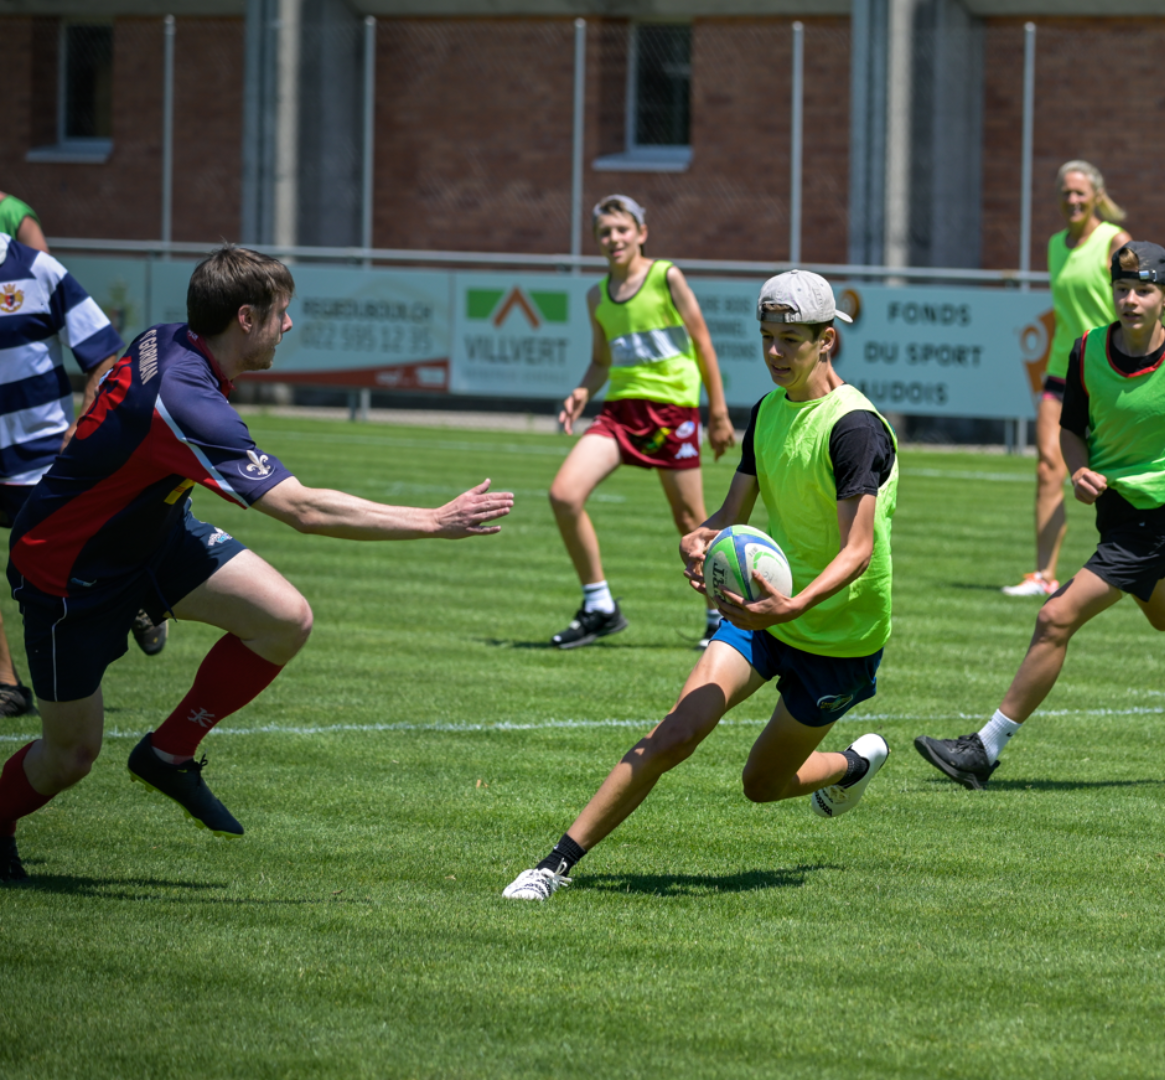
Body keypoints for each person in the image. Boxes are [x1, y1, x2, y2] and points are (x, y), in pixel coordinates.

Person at [0, 245, 515, 883]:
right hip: (68, 571)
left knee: (284, 618)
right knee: (69, 757)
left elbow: (111, 396)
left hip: (154, 536)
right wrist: (433, 521)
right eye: (281, 313)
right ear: (245, 318)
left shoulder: (166, 339)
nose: (289, 326)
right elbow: (303, 509)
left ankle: (169, 752)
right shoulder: (185, 402)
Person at [503, 270, 896, 902]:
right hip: (762, 615)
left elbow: (857, 550)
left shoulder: (854, 428)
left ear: (827, 340)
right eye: (767, 337)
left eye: (790, 340)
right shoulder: (768, 410)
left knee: (761, 785)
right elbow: (729, 515)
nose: (774, 353)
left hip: (839, 638)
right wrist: (702, 536)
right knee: (675, 733)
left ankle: (854, 764)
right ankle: (553, 865)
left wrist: (791, 605)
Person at [915, 242, 1165, 790]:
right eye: (1123, 289)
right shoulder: (1087, 350)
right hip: (1116, 514)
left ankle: (984, 749)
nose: (1131, 299)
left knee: (1054, 618)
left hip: (1155, 521)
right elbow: (1070, 429)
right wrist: (1078, 470)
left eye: (1145, 290)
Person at [1004, 162, 1165, 598]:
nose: (1072, 200)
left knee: (1131, 477)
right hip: (1063, 368)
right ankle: (1042, 574)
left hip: (1110, 372)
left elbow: (1137, 303)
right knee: (1050, 466)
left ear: (1097, 196)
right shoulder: (1054, 245)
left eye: (1080, 193)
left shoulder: (1115, 242)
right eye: (1065, 192)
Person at [548, 195, 735, 649]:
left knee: (691, 520)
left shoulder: (666, 276)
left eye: (622, 229)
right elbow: (600, 361)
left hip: (672, 413)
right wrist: (581, 391)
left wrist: (718, 412)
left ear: (641, 234)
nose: (614, 239)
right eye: (605, 233)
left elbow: (703, 343)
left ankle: (719, 618)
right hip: (620, 413)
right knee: (563, 495)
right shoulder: (597, 295)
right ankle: (599, 607)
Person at [0, 228, 125, 719]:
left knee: (79, 561)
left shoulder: (36, 270)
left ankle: (142, 592)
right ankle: (7, 684)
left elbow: (103, 353)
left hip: (40, 459)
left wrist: (84, 426)